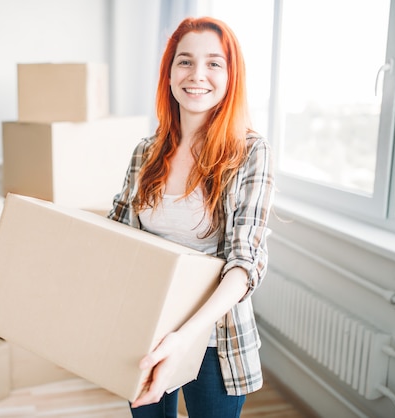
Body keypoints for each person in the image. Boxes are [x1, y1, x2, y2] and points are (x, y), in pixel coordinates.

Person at [108, 16, 275, 418]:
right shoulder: (145, 152)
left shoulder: (250, 152)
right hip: (144, 327)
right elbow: (117, 234)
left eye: (214, 63)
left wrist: (186, 337)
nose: (197, 74)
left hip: (215, 338)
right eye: (185, 61)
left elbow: (245, 262)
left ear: (231, 75)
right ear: (168, 74)